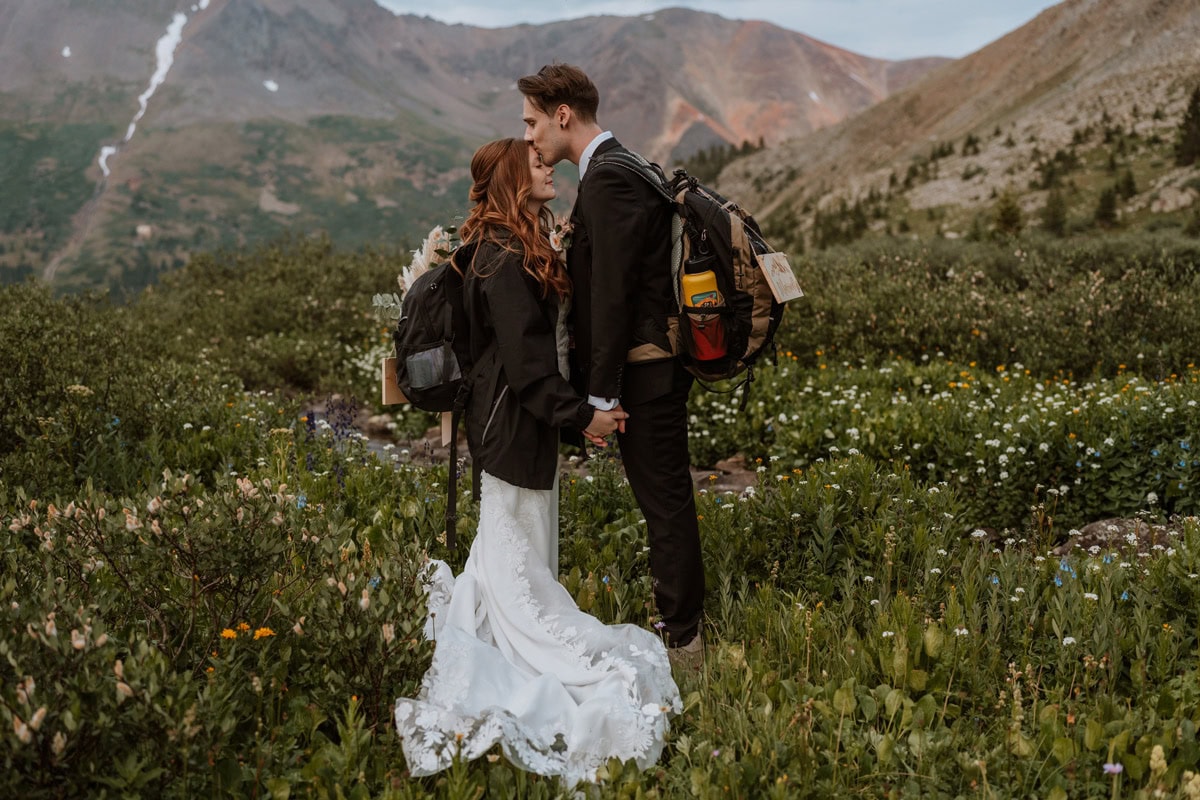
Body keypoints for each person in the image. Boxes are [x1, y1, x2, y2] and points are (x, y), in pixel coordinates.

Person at [393, 138, 681, 786]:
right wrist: (589, 417)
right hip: (511, 431)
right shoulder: (501, 260)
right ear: (514, 182)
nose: (547, 164)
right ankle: (533, 665)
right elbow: (527, 373)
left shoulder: (510, 250)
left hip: (513, 432)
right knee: (519, 573)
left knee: (511, 560)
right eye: (536, 163)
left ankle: (492, 641)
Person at [519, 64, 705, 668]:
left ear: (563, 115)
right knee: (663, 496)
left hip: (646, 372)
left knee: (665, 498)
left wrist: (599, 395)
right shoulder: (619, 169)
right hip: (650, 367)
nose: (529, 138)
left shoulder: (609, 181)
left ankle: (684, 639)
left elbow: (614, 296)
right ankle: (680, 624)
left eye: (532, 121)